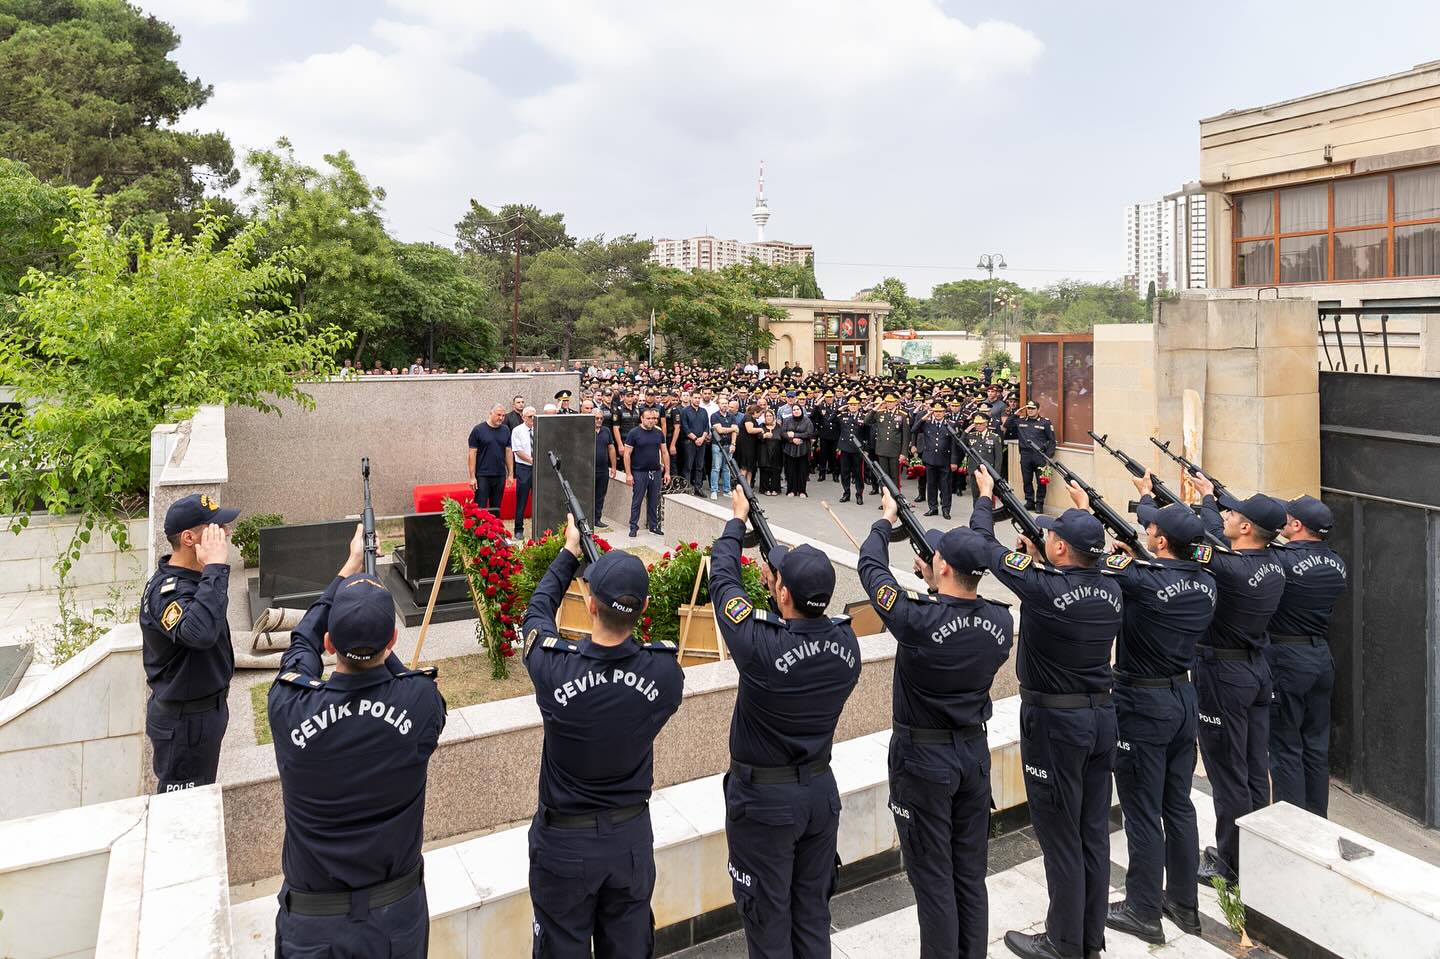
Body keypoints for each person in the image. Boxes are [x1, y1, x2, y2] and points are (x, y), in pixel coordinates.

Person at [267, 524, 446, 958]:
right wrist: (379, 642)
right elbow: (402, 677)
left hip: (313, 926)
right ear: (393, 642)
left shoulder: (288, 707)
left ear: (331, 644)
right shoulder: (420, 703)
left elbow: (300, 643)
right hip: (394, 922)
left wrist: (345, 574)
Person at [971, 467, 1122, 959]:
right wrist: (1040, 557)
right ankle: (1089, 939)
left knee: (1060, 838)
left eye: (1050, 535)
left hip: (1056, 726)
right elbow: (1067, 581)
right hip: (1101, 718)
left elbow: (983, 545)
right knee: (1092, 835)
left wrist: (985, 498)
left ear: (1059, 550)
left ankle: (1063, 942)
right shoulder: (1112, 589)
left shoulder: (1045, 589)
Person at [859, 491, 1014, 959]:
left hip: (924, 762)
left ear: (942, 567)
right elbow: (955, 614)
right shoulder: (999, 622)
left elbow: (871, 570)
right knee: (969, 875)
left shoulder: (918, 620)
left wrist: (885, 522)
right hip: (971, 755)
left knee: (932, 881)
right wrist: (933, 583)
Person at [522, 518, 685, 958]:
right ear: (645, 607)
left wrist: (569, 552)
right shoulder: (665, 675)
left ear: (589, 605)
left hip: (564, 847)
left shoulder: (555, 670)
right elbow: (640, 665)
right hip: (628, 841)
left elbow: (536, 613)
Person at [711, 490, 861, 959]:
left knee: (767, 918)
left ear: (782, 594)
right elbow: (799, 626)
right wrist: (782, 594)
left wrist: (737, 523)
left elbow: (722, 581)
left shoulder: (762, 647)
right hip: (818, 793)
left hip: (766, 805)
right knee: (812, 913)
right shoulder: (847, 647)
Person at [1075, 476, 1215, 945]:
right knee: (1178, 803)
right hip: (1182, 697)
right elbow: (1150, 572)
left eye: (1152, 529)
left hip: (1142, 702)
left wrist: (1087, 510)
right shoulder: (1207, 581)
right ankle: (1184, 903)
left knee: (1140, 808)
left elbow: (1093, 558)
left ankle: (1142, 908)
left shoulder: (1142, 579)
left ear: (1159, 539)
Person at [1187, 473, 1286, 888]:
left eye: (1235, 513)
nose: (1228, 515)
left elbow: (1197, 541)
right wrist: (1210, 498)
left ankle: (1229, 862)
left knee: (1227, 772)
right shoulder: (1273, 564)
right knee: (1252, 768)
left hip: (1223, 676)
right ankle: (1254, 851)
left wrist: (1197, 504)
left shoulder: (1228, 567)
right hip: (1255, 672)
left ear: (1247, 528)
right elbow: (1216, 535)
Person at [140, 493, 239, 792]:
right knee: (183, 810)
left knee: (201, 795)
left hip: (203, 714)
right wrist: (215, 568)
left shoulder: (195, 580)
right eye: (215, 530)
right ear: (188, 538)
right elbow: (200, 633)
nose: (226, 534)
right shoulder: (167, 592)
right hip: (184, 723)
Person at [1266, 495, 1347, 818]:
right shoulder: (1337, 561)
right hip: (1319, 657)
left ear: (1297, 525)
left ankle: (1291, 827)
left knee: (1285, 745)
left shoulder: (1283, 559)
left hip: (1288, 657)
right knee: (1315, 745)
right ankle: (1317, 820)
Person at [624, 407, 670, 538]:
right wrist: (628, 474)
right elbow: (627, 454)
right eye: (649, 418)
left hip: (655, 472)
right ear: (642, 418)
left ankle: (653, 526)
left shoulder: (658, 433)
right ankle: (633, 527)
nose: (652, 421)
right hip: (639, 472)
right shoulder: (634, 433)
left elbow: (664, 452)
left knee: (654, 500)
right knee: (637, 501)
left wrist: (667, 472)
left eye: (654, 418)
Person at [468, 404, 513, 518]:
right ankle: (479, 534)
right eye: (498, 415)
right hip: (483, 475)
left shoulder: (506, 430)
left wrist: (511, 474)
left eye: (503, 415)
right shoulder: (478, 430)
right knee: (480, 508)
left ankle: (494, 534)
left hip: (500, 475)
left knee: (496, 508)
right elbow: (472, 453)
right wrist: (472, 477)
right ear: (490, 413)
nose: (501, 418)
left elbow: (508, 452)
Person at [913, 402, 956, 519]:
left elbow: (954, 445)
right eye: (936, 411)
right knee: (931, 485)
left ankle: (946, 509)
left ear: (944, 412)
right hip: (930, 459)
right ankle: (933, 508)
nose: (938, 414)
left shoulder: (950, 424)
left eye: (940, 411)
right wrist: (925, 417)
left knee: (945, 486)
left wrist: (954, 461)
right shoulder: (927, 424)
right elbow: (914, 429)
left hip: (944, 460)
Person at [1011, 402, 1057, 511]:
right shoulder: (1021, 421)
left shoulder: (1045, 422)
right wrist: (1016, 413)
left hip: (1040, 455)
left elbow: (1052, 441)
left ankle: (1039, 503)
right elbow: (1007, 425)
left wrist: (1048, 457)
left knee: (1041, 481)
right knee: (1027, 480)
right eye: (1028, 408)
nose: (1030, 410)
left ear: (1038, 409)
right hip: (1025, 454)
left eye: (1033, 408)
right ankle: (1029, 501)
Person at [870, 394, 910, 495]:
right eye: (887, 402)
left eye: (891, 402)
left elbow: (906, 436)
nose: (889, 404)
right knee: (883, 476)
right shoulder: (880, 413)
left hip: (895, 451)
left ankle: (895, 500)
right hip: (882, 449)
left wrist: (903, 453)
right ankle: (885, 499)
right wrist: (876, 407)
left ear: (896, 402)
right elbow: (867, 421)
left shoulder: (902, 415)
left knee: (894, 477)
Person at [835, 396, 870, 506]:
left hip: (857, 449)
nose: (852, 406)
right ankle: (846, 493)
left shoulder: (863, 417)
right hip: (845, 448)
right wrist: (840, 409)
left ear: (859, 405)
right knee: (844, 472)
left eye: (855, 404)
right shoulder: (843, 416)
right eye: (850, 404)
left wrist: (866, 449)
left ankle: (859, 494)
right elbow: (830, 419)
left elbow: (866, 435)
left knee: (858, 473)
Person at [511, 406, 537, 538]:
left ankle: (540, 527)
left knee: (539, 499)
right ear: (523, 417)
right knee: (522, 499)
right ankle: (518, 529)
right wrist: (533, 461)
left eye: (534, 416)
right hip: (524, 468)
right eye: (530, 416)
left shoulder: (539, 429)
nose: (533, 419)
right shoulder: (517, 430)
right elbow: (518, 451)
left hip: (538, 468)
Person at [780, 400, 815, 497]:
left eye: (797, 409)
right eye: (794, 409)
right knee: (790, 470)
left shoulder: (807, 421)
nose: (796, 411)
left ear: (801, 410)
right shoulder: (787, 420)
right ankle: (791, 490)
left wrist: (795, 435)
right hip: (790, 449)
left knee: (802, 471)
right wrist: (792, 440)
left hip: (803, 449)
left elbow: (809, 433)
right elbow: (783, 433)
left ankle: (802, 491)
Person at [680, 392, 711, 492]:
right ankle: (687, 488)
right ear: (691, 398)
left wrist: (702, 438)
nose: (697, 399)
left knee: (700, 466)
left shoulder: (704, 411)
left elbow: (707, 427)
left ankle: (698, 487)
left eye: (699, 398)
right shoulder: (685, 411)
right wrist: (695, 439)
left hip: (702, 442)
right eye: (695, 397)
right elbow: (685, 428)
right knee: (688, 466)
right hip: (689, 442)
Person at [709, 398, 739, 499]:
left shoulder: (732, 416)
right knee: (716, 468)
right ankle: (714, 490)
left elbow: (735, 432)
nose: (725, 405)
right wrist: (732, 428)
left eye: (726, 403)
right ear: (718, 404)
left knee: (727, 469)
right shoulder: (715, 416)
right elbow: (720, 430)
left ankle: (727, 490)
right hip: (717, 445)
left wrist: (733, 444)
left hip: (728, 445)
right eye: (722, 403)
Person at [594, 407, 617, 532]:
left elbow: (611, 449)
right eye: (596, 418)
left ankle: (597, 518)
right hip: (590, 470)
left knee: (600, 495)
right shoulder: (586, 430)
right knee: (589, 495)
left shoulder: (606, 431)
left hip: (603, 470)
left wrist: (613, 467)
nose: (599, 421)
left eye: (601, 418)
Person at [758, 411, 784, 495]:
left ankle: (775, 489)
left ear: (773, 417)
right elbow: (757, 436)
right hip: (764, 451)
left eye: (770, 416)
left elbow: (783, 437)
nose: (768, 417)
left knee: (776, 471)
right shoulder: (761, 426)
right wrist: (764, 436)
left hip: (776, 452)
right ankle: (765, 489)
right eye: (767, 416)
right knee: (764, 470)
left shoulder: (778, 427)